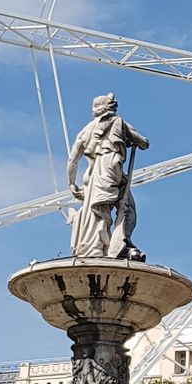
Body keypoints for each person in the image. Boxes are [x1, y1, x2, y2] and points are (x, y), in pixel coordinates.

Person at [66, 93, 149, 260]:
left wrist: (71, 183)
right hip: (111, 171)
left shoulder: (86, 130)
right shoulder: (119, 122)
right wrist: (130, 139)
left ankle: (98, 246)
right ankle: (120, 242)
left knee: (97, 211)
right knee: (127, 209)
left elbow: (72, 160)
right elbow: (144, 143)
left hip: (93, 176)